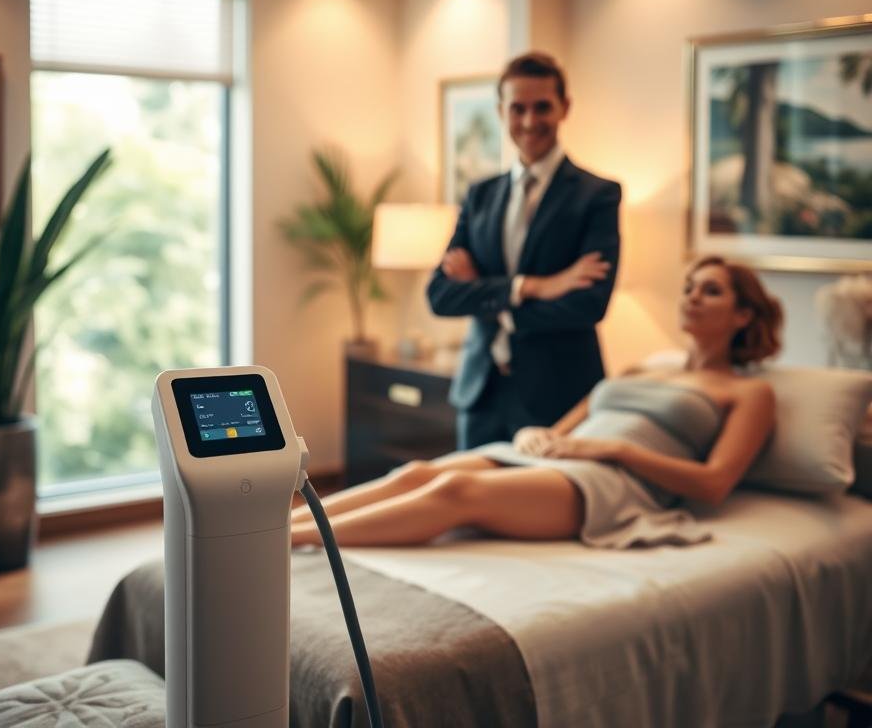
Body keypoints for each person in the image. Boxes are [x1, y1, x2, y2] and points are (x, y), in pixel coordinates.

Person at [292, 256, 783, 549]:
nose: (692, 297)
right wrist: (538, 436)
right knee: (419, 473)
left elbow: (715, 484)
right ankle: (271, 525)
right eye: (689, 287)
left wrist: (614, 452)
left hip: (613, 483)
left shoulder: (748, 392)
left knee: (457, 492)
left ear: (743, 314)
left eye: (711, 291)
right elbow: (567, 426)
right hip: (564, 457)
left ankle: (289, 543)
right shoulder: (645, 366)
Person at [427, 51, 622, 450]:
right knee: (467, 506)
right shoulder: (480, 195)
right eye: (518, 109)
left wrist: (484, 291)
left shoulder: (598, 195)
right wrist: (532, 287)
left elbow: (588, 305)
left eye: (542, 107)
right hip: (480, 393)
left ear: (564, 108)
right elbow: (440, 295)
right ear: (502, 111)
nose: (530, 121)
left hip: (559, 395)